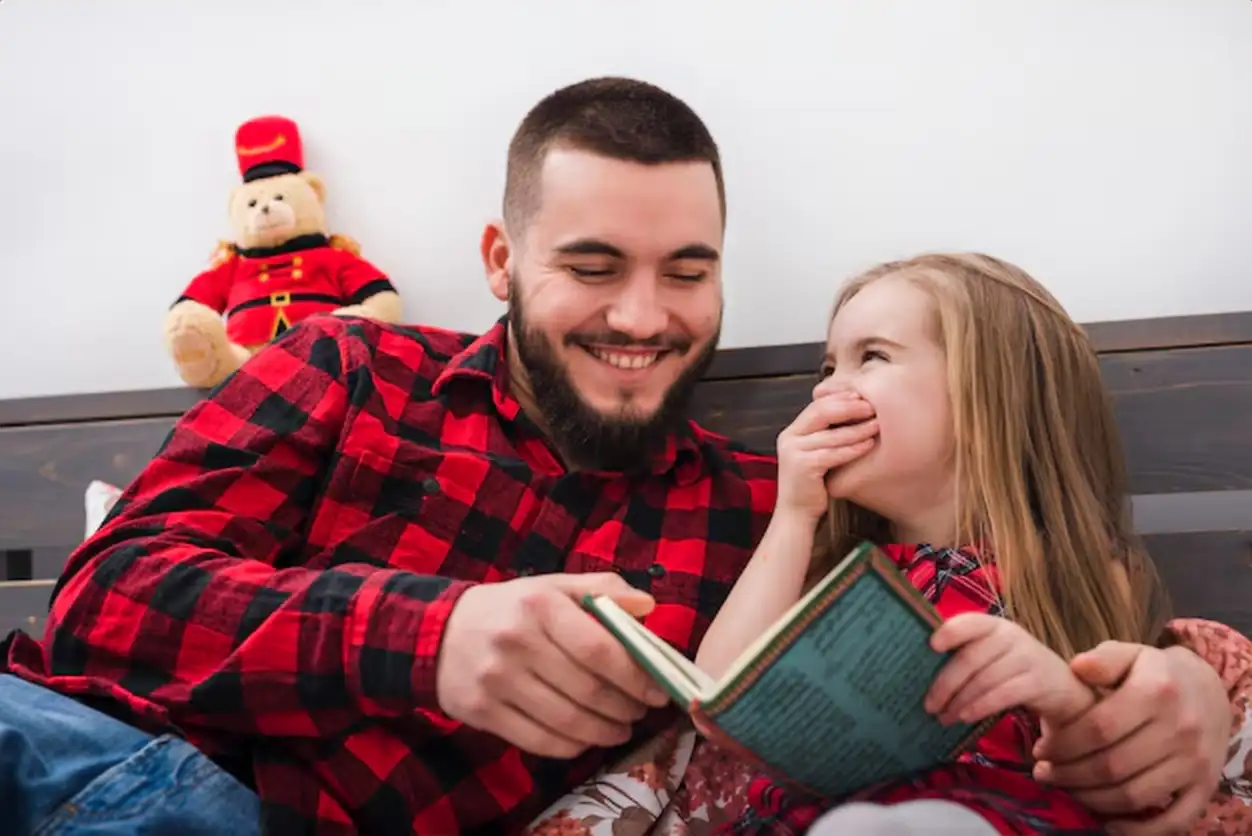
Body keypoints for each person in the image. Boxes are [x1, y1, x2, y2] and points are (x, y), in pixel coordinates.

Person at [0, 78, 1235, 836]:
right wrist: (431, 637)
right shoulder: (348, 371)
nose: (643, 317)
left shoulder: (766, 512)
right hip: (113, 755)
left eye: (687, 271)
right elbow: (104, 602)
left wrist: (1194, 688)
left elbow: (1011, 595)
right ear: (500, 260)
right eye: (592, 267)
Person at [697, 252, 1226, 836]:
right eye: (826, 368)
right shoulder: (826, 579)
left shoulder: (1074, 576)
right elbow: (719, 699)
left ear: (989, 395)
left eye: (870, 356)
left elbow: (1117, 754)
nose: (827, 392)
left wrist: (1057, 689)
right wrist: (794, 515)